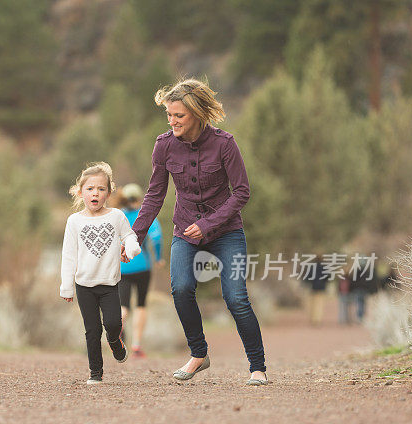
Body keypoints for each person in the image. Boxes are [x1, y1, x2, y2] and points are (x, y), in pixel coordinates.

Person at [131, 78, 269, 385]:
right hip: (184, 231)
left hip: (227, 232)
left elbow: (242, 193)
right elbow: (155, 195)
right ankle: (199, 354)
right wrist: (134, 237)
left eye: (178, 115)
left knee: (235, 298)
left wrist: (207, 224)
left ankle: (257, 367)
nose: (172, 121)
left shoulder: (224, 144)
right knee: (180, 289)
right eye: (169, 115)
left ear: (197, 113)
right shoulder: (163, 145)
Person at [60, 162, 141, 384]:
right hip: (84, 285)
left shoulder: (116, 217)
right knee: (92, 330)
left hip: (109, 284)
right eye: (90, 189)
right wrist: (66, 285)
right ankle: (96, 373)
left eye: (101, 189)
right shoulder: (74, 221)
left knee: (113, 324)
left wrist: (132, 248)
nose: (95, 193)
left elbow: (129, 237)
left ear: (108, 192)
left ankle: (115, 341)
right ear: (80, 192)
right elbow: (69, 255)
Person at [118, 183, 164, 358]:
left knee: (124, 306)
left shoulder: (118, 216)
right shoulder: (145, 216)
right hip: (142, 265)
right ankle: (136, 344)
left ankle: (117, 332)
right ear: (139, 199)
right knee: (141, 305)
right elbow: (157, 237)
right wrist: (158, 257)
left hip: (122, 266)